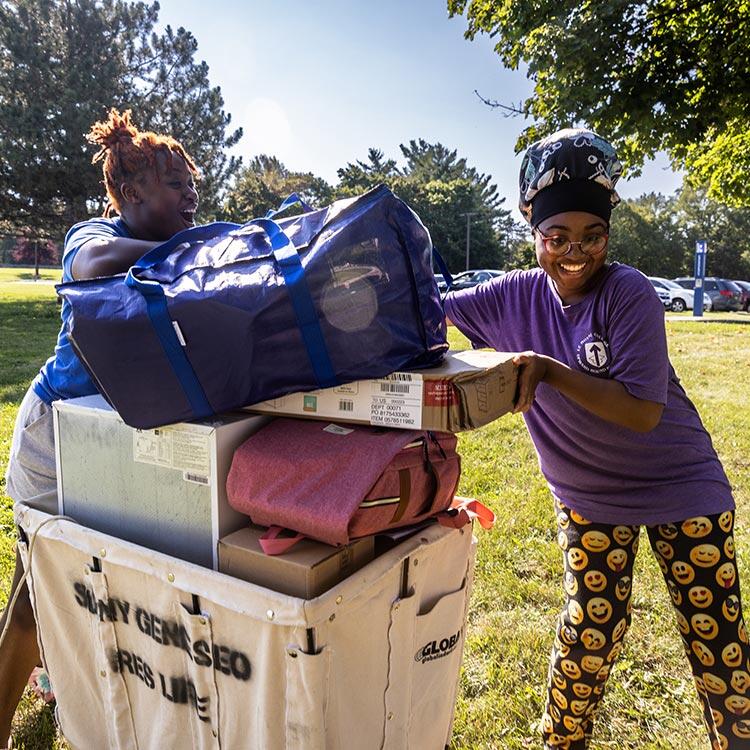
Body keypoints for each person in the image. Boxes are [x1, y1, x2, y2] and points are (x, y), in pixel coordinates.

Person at [445, 129, 749, 749]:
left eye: (592, 236)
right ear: (534, 233)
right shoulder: (511, 296)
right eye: (557, 237)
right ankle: (563, 742)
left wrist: (552, 370)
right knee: (589, 632)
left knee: (716, 639)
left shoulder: (628, 292)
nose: (574, 252)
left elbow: (640, 411)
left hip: (680, 487)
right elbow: (430, 307)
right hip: (588, 498)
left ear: (608, 235)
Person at [1, 108, 199, 747]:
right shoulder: (94, 234)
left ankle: (58, 680)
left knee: (85, 585)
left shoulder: (180, 266)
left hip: (106, 444)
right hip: (52, 440)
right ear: (134, 193)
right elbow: (93, 268)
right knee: (35, 599)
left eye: (194, 179)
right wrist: (193, 252)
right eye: (176, 180)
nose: (192, 190)